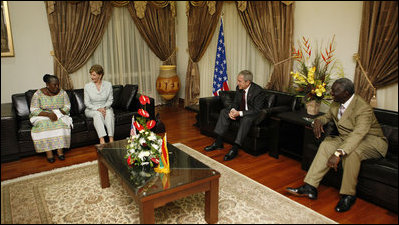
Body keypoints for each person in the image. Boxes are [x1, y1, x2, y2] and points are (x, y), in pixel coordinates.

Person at [286, 78, 388, 212]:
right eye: (332, 89)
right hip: (347, 137)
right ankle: (310, 187)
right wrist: (318, 121)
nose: (331, 93)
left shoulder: (363, 108)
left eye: (335, 91)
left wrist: (338, 153)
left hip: (371, 140)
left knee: (352, 153)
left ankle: (348, 195)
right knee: (326, 145)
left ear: (346, 93)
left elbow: (358, 134)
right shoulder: (336, 103)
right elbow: (327, 117)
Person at [204, 70, 265, 161]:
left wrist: (239, 113)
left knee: (246, 119)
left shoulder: (258, 92)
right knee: (224, 112)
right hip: (241, 112)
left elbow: (256, 110)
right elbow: (236, 103)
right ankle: (218, 142)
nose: (238, 83)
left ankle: (235, 148)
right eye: (238, 80)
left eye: (240, 81)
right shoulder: (239, 88)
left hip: (252, 114)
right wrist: (232, 110)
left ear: (248, 82)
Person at [30, 74, 73, 163]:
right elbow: (33, 110)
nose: (57, 87)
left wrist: (58, 114)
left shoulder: (63, 93)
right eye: (54, 85)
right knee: (43, 125)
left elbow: (67, 106)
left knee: (61, 123)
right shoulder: (38, 94)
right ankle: (49, 153)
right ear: (47, 85)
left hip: (59, 113)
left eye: (58, 84)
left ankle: (60, 151)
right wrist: (48, 115)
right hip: (42, 115)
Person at [84, 64, 115, 144]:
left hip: (105, 107)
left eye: (94, 75)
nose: (92, 77)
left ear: (100, 75)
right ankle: (102, 140)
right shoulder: (87, 86)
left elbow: (110, 100)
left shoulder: (108, 85)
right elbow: (87, 103)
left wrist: (104, 108)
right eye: (91, 74)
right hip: (91, 109)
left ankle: (111, 139)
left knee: (109, 113)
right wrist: (98, 109)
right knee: (97, 114)